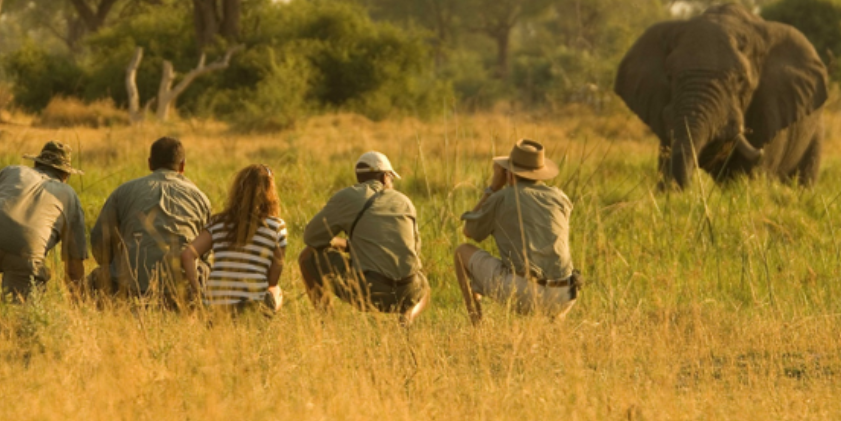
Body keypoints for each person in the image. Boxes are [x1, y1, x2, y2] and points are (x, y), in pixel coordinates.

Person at [455, 138, 580, 324]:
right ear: (541, 172)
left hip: (523, 292)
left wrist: (492, 188)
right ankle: (556, 325)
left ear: (509, 174)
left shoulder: (501, 198)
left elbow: (469, 231)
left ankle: (476, 323)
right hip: (566, 293)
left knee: (461, 252)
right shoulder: (560, 197)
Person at [299, 151, 429, 326]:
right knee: (424, 285)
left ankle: (327, 323)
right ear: (385, 177)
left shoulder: (347, 197)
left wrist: (337, 243)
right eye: (392, 179)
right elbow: (415, 251)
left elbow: (311, 237)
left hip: (369, 293)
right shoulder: (405, 201)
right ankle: (407, 317)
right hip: (408, 292)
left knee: (307, 256)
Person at [89, 136, 210, 305]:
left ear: (150, 163)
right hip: (182, 291)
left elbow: (99, 242)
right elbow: (204, 253)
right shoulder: (200, 197)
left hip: (128, 289)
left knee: (94, 278)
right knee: (206, 268)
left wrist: (120, 264)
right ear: (182, 165)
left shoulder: (123, 191)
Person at [0, 141, 88, 302]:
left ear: (36, 163)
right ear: (66, 175)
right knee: (17, 313)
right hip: (26, 249)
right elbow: (73, 269)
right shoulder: (69, 195)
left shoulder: (12, 171)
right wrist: (80, 304)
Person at [181, 164, 287, 315]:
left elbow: (188, 254)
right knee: (276, 291)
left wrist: (197, 292)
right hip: (251, 310)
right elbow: (273, 280)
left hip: (214, 309)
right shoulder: (276, 226)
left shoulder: (218, 222)